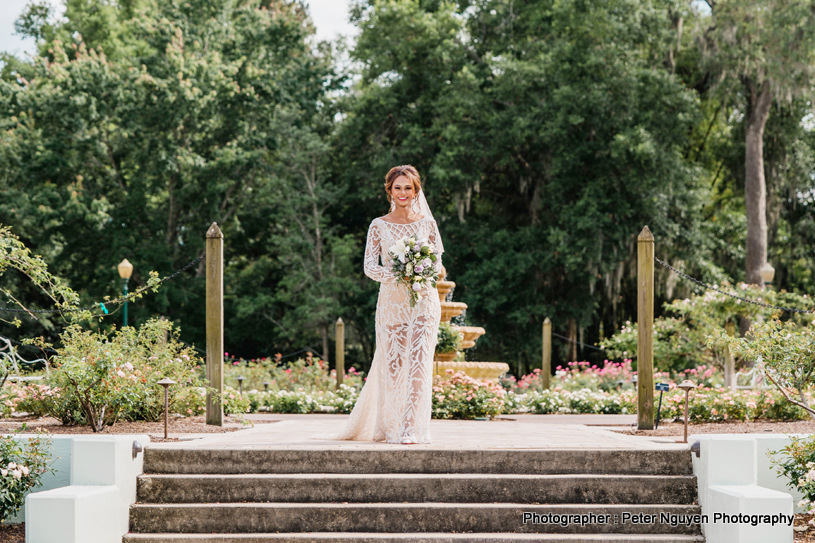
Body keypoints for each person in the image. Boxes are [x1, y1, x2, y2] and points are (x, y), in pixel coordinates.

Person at [335, 165, 444, 444]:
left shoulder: (427, 224)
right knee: (394, 365)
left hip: (423, 302)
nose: (403, 193)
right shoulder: (379, 225)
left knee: (419, 365)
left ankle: (411, 429)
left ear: (416, 190)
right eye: (398, 187)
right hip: (391, 303)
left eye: (408, 187)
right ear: (390, 191)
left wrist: (421, 271)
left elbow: (439, 265)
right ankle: (390, 425)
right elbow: (370, 266)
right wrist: (399, 274)